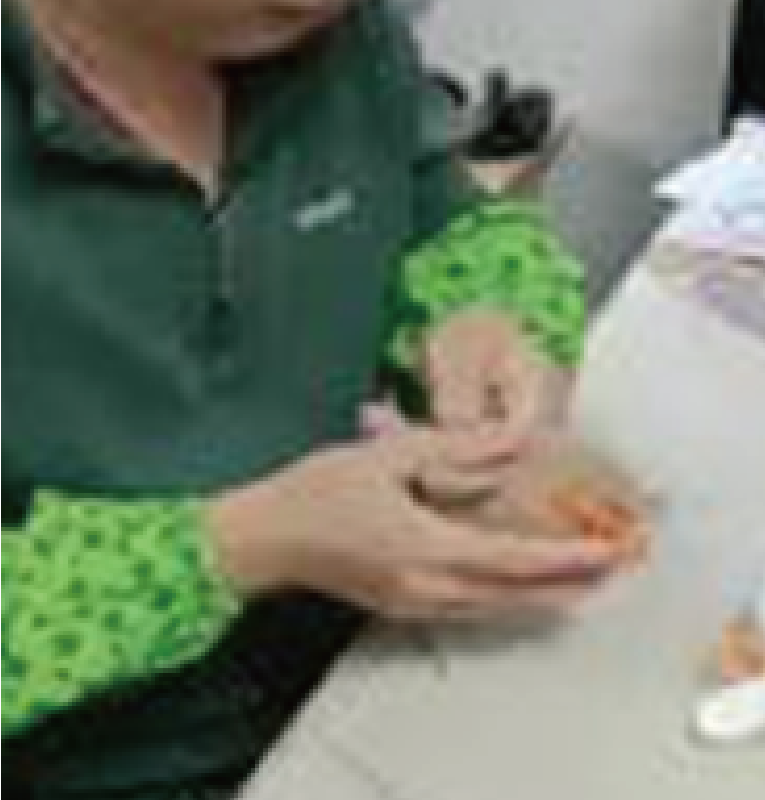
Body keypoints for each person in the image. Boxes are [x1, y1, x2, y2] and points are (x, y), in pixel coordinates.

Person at [2, 1, 631, 796]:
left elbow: (457, 221)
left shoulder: (343, 39)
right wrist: (241, 544)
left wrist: (492, 313)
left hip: (359, 681)